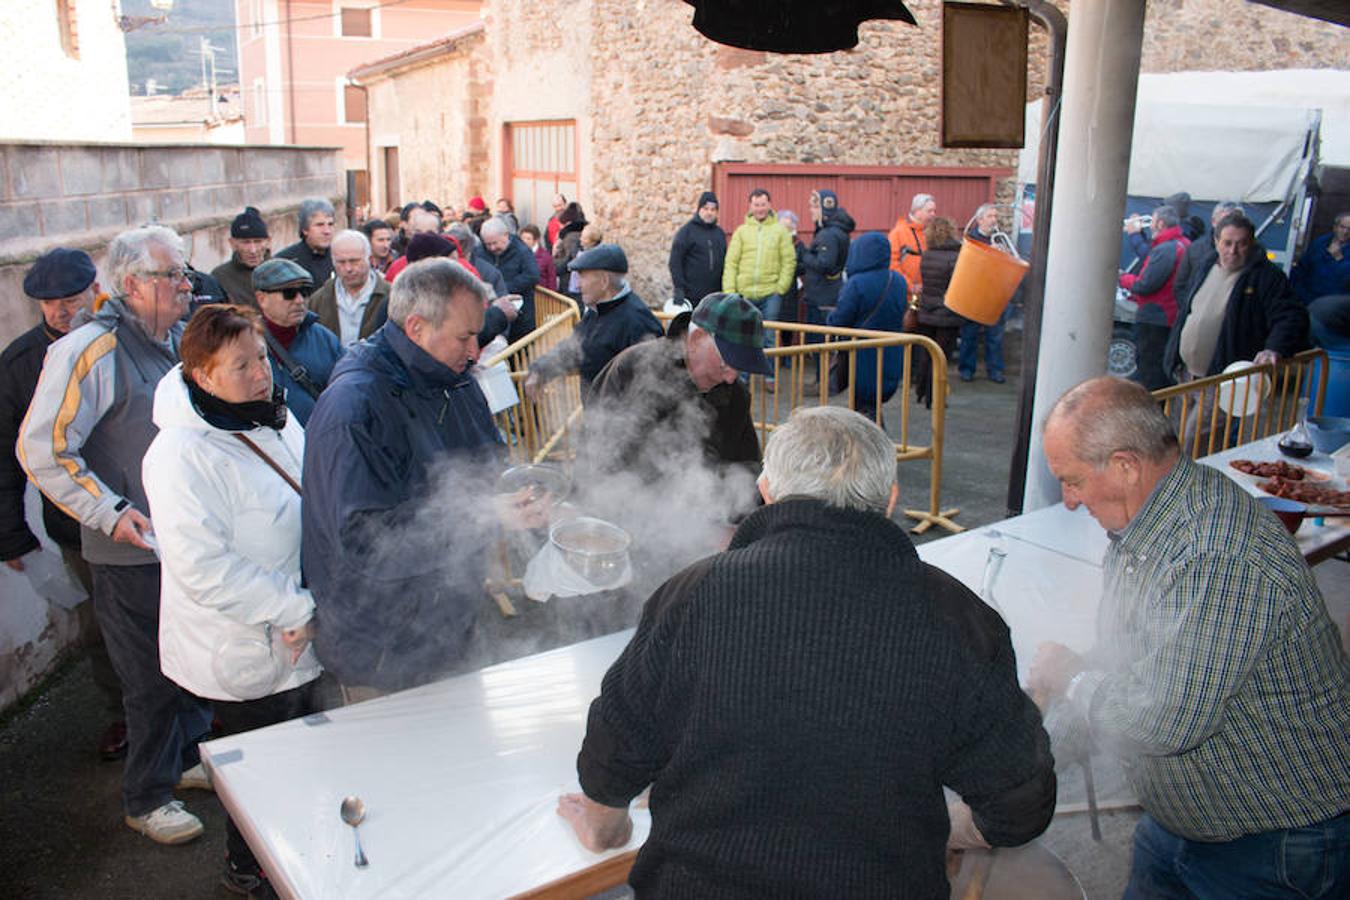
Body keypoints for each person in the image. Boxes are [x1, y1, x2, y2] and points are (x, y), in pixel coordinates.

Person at [559, 405, 1056, 896]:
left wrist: (608, 831)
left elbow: (613, 756)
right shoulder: (959, 618)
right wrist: (938, 829)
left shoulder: (691, 596)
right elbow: (1021, 806)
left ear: (767, 493)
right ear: (890, 501)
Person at [1029, 376, 1350, 899]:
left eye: (1072, 481)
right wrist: (1033, 760)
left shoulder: (1215, 554)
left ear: (1126, 465)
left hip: (1278, 842)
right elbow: (1117, 664)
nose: (1068, 501)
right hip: (1182, 823)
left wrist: (1069, 678)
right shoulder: (1144, 531)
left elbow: (1161, 721)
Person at [20, 225, 214, 845]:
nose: (186, 285)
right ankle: (146, 797)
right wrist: (110, 512)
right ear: (132, 285)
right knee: (149, 680)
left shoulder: (174, 339)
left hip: (181, 542)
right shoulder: (89, 349)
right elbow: (43, 448)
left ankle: (182, 763)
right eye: (173, 275)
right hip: (129, 551)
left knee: (187, 665)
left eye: (184, 273)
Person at [301, 258, 543, 700]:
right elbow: (366, 544)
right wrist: (483, 516)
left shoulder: (455, 380)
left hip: (451, 622)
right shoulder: (354, 408)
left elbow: (484, 467)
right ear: (416, 328)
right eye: (465, 336)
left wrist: (520, 495)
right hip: (383, 647)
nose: (475, 351)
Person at [142, 304, 321, 897]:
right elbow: (204, 570)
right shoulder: (179, 456)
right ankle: (248, 871)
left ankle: (294, 854)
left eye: (263, 357)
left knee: (295, 757)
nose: (261, 372)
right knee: (261, 768)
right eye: (240, 364)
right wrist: (296, 609)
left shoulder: (271, 416)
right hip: (240, 643)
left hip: (298, 626)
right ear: (202, 374)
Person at [1, 249, 125, 761]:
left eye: (69, 299)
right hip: (76, 524)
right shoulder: (21, 363)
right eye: (48, 303)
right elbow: (5, 451)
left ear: (95, 291)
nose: (59, 311)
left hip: (141, 510)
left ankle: (190, 708)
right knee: (101, 624)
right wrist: (11, 533)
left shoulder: (123, 340)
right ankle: (123, 713)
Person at [1163, 211, 1309, 382]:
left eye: (1241, 244)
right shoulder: (1205, 265)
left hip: (1226, 380)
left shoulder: (1266, 276)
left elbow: (1291, 316)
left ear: (1252, 243)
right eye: (1227, 243)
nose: (1233, 251)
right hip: (1184, 374)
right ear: (1216, 242)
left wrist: (1274, 348)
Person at [525, 244, 662, 400]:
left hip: (621, 421)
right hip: (597, 418)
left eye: (582, 277)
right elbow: (574, 349)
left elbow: (650, 390)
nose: (577, 285)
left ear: (604, 281)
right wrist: (540, 370)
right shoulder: (596, 311)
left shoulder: (638, 322)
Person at [251, 258, 342, 425]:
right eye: (289, 293)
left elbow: (344, 394)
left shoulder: (325, 339)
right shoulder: (245, 344)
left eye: (305, 291)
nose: (299, 300)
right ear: (261, 298)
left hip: (319, 440)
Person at [827, 232, 906, 421]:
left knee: (864, 409)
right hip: (891, 349)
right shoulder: (898, 280)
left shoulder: (856, 283)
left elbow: (841, 318)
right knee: (873, 407)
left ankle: (871, 448)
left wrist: (829, 319)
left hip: (862, 353)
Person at [1119, 205, 1190, 391]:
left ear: (1160, 223)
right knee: (1159, 370)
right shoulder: (1182, 244)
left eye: (1152, 221)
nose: (1150, 226)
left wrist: (1121, 278)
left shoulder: (1166, 249)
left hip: (1155, 318)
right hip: (1169, 317)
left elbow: (1145, 285)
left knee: (1150, 372)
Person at [722, 188, 795, 333]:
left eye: (763, 205)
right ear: (750, 206)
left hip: (770, 295)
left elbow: (789, 261)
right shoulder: (741, 232)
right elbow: (731, 263)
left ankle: (769, 357)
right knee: (744, 336)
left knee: (769, 336)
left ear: (769, 205)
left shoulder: (780, 231)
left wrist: (781, 288)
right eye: (756, 205)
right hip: (744, 295)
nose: (760, 209)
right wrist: (730, 292)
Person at [307, 229, 390, 347]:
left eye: (354, 261)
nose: (348, 268)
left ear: (370, 260)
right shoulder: (318, 301)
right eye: (341, 262)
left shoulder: (390, 297)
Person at [914, 216, 964, 407]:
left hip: (927, 310)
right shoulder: (955, 257)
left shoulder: (927, 255)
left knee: (927, 354)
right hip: (947, 312)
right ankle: (934, 398)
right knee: (941, 357)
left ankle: (921, 391)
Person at [957, 205, 1008, 384]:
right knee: (969, 333)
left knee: (995, 335)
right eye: (989, 216)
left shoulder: (1003, 239)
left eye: (995, 216)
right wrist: (990, 253)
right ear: (980, 220)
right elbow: (967, 265)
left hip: (995, 292)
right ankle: (966, 369)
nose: (994, 219)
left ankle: (995, 370)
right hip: (975, 291)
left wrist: (1002, 254)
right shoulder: (970, 239)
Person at [480, 216, 541, 340]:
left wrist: (502, 287)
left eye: (495, 243)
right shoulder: (480, 252)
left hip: (521, 316)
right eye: (488, 244)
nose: (492, 248)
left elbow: (532, 275)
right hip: (492, 313)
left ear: (506, 235)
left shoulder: (522, 251)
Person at [800, 188, 854, 320]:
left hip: (822, 298)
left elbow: (825, 265)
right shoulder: (836, 230)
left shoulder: (828, 234)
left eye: (814, 207)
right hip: (829, 295)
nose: (811, 210)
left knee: (818, 338)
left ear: (823, 209)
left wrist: (804, 254)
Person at [668, 190, 726, 308]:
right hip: (691, 296)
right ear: (699, 209)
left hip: (714, 297)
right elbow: (675, 261)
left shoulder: (720, 234)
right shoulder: (687, 232)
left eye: (713, 209)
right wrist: (679, 288)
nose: (709, 213)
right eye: (706, 209)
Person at [1173, 201, 1242, 298]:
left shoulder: (1251, 254)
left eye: (1236, 222)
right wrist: (1189, 309)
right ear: (1214, 221)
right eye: (1225, 222)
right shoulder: (1195, 248)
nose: (1230, 227)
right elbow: (1180, 285)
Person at [210, 206, 271, 306]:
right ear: (233, 243)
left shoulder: (282, 271)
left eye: (258, 241)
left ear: (268, 241)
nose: (253, 250)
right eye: (246, 242)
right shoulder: (220, 277)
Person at [276, 198, 336, 293]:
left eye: (330, 224)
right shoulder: (286, 262)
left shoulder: (340, 256)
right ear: (305, 229)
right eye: (320, 225)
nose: (327, 231)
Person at [1291, 211, 1350, 306]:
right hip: (1308, 300)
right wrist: (1299, 294)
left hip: (1333, 306)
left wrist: (1339, 258)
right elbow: (1301, 269)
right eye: (1342, 227)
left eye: (1349, 229)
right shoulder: (1319, 243)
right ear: (1335, 227)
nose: (1345, 232)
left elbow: (1347, 280)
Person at [889, 192, 935, 295]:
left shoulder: (930, 233)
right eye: (929, 211)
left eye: (934, 211)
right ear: (917, 211)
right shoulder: (898, 233)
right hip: (904, 295)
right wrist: (910, 286)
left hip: (926, 294)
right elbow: (892, 264)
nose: (933, 214)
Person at [553, 202, 589, 296]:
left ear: (568, 222)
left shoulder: (571, 237)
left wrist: (554, 263)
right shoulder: (581, 233)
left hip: (570, 281)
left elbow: (571, 260)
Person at [520, 224, 558, 292]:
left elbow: (552, 279)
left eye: (528, 239)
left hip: (541, 295)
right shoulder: (517, 253)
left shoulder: (545, 256)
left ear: (536, 240)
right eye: (523, 238)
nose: (524, 241)